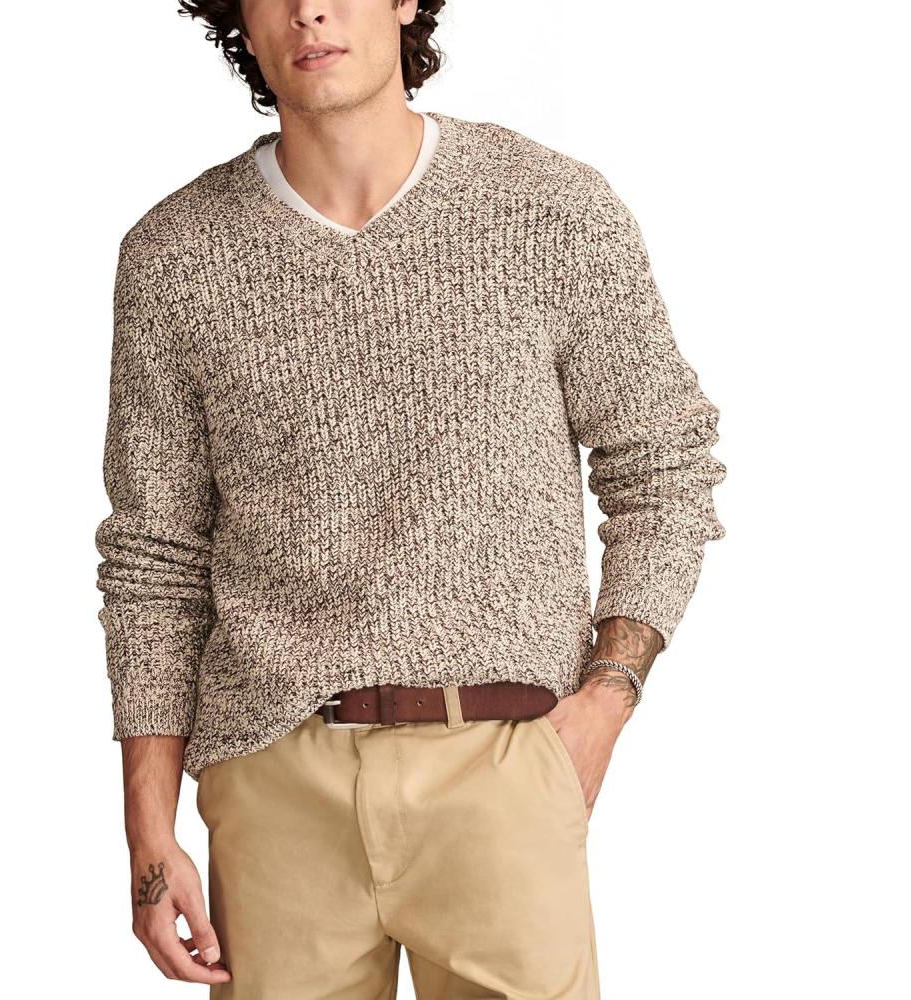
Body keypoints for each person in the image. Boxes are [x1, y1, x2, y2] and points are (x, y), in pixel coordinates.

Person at [94, 2, 726, 996]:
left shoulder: (547, 208)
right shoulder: (176, 256)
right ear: (239, 19)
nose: (310, 9)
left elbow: (663, 465)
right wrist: (148, 829)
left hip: (504, 763)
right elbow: (154, 556)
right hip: (274, 783)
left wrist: (605, 701)